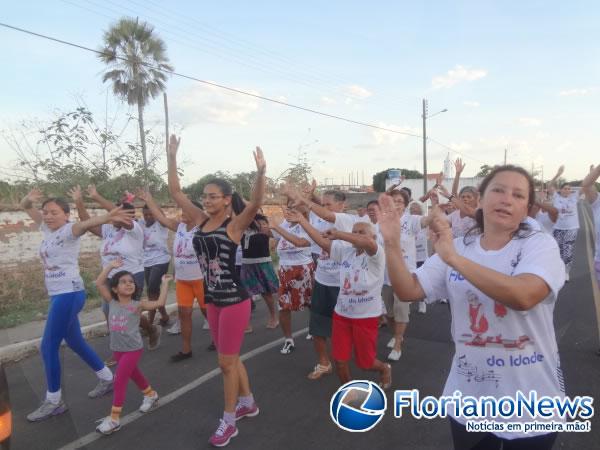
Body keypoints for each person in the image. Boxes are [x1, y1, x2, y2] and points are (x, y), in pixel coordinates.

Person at [380, 165, 566, 449]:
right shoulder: (459, 247)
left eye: (518, 195)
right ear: (481, 199)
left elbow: (525, 295)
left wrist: (454, 260)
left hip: (532, 398)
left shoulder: (540, 246)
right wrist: (391, 243)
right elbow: (408, 290)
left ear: (527, 208)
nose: (506, 199)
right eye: (498, 190)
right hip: (470, 397)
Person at [173, 134, 264, 447]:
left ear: (226, 200)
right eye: (204, 196)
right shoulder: (199, 221)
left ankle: (229, 421)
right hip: (213, 301)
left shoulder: (234, 226)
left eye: (213, 196)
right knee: (231, 358)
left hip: (235, 301)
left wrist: (261, 174)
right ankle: (247, 402)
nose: (206, 200)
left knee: (225, 363)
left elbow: (255, 204)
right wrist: (172, 157)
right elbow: (175, 192)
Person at [21, 187, 134, 422]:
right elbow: (24, 206)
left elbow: (84, 225)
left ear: (65, 214)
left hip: (69, 294)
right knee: (74, 340)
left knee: (48, 346)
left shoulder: (68, 230)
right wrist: (28, 200)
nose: (49, 216)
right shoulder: (47, 229)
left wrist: (107, 217)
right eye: (46, 212)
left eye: (54, 212)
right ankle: (106, 378)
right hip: (59, 294)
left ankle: (54, 401)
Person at [288, 212, 392, 389]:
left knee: (365, 363)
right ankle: (348, 391)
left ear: (374, 237)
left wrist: (339, 234)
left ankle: (384, 368)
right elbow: (322, 242)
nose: (356, 236)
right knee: (340, 360)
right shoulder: (346, 252)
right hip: (342, 315)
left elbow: (367, 243)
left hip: (365, 317)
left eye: (361, 232)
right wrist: (302, 221)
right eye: (354, 232)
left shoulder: (376, 254)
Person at [285, 188, 359, 380]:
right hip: (322, 281)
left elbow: (325, 215)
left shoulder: (348, 220)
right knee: (317, 326)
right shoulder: (317, 221)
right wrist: (297, 202)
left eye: (329, 204)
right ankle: (324, 363)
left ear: (343, 205)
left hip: (344, 284)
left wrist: (303, 198)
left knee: (348, 328)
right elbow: (308, 237)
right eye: (323, 204)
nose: (324, 208)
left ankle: (354, 359)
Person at [78, 186, 161, 353]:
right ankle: (121, 346)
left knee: (127, 310)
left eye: (120, 214)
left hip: (131, 276)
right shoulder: (108, 229)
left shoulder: (135, 229)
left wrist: (97, 196)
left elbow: (119, 216)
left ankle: (147, 332)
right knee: (109, 310)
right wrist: (79, 202)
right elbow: (87, 223)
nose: (115, 216)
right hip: (110, 277)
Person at [94, 259, 172, 435]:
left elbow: (159, 303)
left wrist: (164, 283)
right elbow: (99, 282)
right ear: (114, 288)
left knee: (120, 380)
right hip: (117, 348)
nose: (128, 284)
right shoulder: (111, 301)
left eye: (131, 282)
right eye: (123, 282)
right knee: (134, 375)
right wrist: (110, 267)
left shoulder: (137, 305)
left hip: (133, 349)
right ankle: (151, 395)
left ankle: (114, 419)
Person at [135, 189, 208, 361]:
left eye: (187, 211)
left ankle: (221, 342)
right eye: (182, 210)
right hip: (182, 280)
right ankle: (186, 349)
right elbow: (161, 218)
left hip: (200, 279)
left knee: (208, 313)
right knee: (184, 314)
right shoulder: (179, 226)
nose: (183, 213)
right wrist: (150, 199)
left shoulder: (203, 228)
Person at [382, 188, 431, 361]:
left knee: (401, 309)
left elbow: (426, 220)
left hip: (405, 273)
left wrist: (436, 212)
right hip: (385, 274)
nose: (396, 204)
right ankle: (397, 334)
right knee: (388, 312)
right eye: (392, 201)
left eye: (400, 202)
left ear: (405, 205)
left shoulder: (411, 220)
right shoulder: (382, 220)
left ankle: (397, 344)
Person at [269, 205, 315, 354]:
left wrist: (277, 228)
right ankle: (288, 339)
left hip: (303, 269)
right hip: (285, 271)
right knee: (283, 306)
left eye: (294, 210)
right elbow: (272, 235)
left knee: (310, 302)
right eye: (288, 209)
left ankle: (314, 329)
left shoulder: (308, 226)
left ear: (302, 213)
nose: (289, 212)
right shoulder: (284, 224)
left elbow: (300, 243)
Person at [240, 215, 279, 329]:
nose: (260, 225)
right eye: (258, 223)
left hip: (263, 264)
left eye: (263, 223)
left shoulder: (265, 232)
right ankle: (246, 323)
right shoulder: (244, 231)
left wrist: (267, 228)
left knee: (266, 294)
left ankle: (273, 316)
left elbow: (277, 237)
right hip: (247, 265)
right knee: (245, 295)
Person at [549, 165, 579, 281]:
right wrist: (558, 174)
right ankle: (558, 270)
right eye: (565, 188)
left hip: (572, 228)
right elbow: (550, 186)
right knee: (557, 250)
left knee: (568, 250)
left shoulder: (574, 197)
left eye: (568, 188)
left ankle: (566, 272)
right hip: (557, 228)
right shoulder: (556, 197)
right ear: (560, 190)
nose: (567, 190)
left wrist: (591, 173)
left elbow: (587, 186)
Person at [410, 201, 428, 314]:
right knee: (409, 280)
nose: (413, 210)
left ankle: (422, 301)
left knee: (421, 280)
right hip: (409, 257)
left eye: (415, 209)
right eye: (412, 209)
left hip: (421, 256)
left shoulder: (424, 220)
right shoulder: (407, 221)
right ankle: (409, 299)